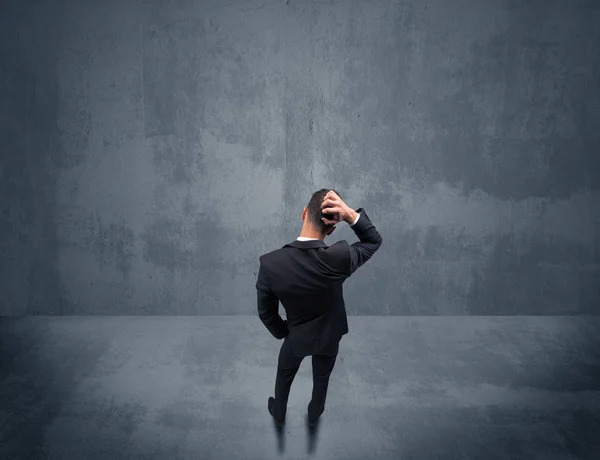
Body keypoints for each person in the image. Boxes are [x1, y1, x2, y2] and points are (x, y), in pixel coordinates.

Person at [256, 189, 383, 428]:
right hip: (328, 338)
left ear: (304, 214)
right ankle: (315, 413)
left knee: (284, 375)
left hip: (295, 338)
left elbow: (266, 312)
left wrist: (283, 331)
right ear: (332, 229)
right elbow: (373, 241)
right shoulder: (339, 257)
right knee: (321, 379)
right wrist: (349, 215)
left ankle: (279, 412)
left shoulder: (270, 263)